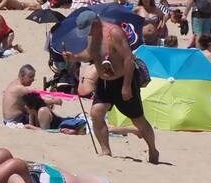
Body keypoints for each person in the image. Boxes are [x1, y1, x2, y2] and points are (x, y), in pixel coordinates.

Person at [67, 12, 161, 163]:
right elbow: (90, 53)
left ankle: (153, 149)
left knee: (138, 120)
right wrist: (75, 57)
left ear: (95, 23)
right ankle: (106, 151)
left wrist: (126, 86)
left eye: (88, 30)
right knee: (96, 113)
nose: (87, 33)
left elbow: (129, 59)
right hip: (104, 82)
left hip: (123, 79)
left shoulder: (114, 33)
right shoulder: (93, 35)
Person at [2, 65, 65, 130]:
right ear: (22, 76)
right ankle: (51, 126)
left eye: (33, 77)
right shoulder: (20, 89)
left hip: (8, 119)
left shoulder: (14, 84)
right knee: (40, 108)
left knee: (31, 107)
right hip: (16, 120)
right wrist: (55, 101)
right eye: (30, 77)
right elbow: (38, 101)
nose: (33, 80)